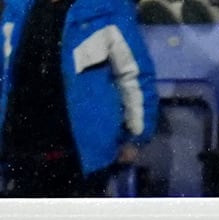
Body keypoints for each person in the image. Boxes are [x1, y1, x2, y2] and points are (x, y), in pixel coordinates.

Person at [0, 0, 154, 197]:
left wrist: (135, 136)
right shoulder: (17, 8)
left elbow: (134, 75)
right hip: (21, 152)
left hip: (85, 158)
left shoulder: (109, 7)